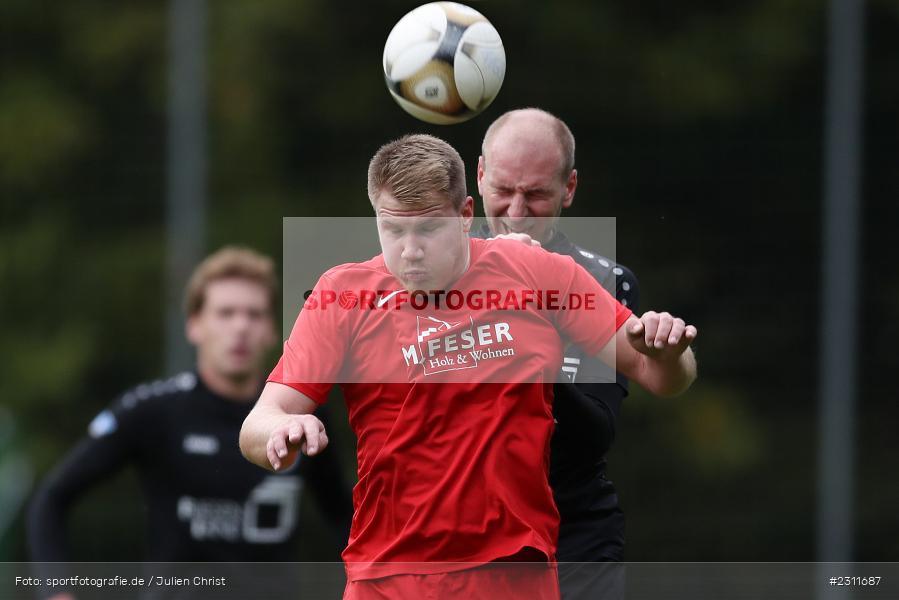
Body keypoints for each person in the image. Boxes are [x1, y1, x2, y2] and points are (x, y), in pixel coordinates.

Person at [239, 134, 697, 599]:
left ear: (465, 216)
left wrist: (668, 351)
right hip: (387, 578)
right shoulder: (342, 294)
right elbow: (259, 422)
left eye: (428, 230)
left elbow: (661, 376)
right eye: (394, 230)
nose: (411, 250)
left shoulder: (535, 271)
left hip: (514, 574)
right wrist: (280, 430)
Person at [27, 247, 353, 599]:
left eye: (255, 314)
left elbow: (343, 515)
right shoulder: (153, 410)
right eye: (225, 313)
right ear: (194, 325)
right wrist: (57, 592)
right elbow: (52, 498)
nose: (241, 326)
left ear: (273, 330)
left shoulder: (302, 418)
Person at [475, 108, 637, 596]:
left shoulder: (602, 282)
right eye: (503, 190)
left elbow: (595, 435)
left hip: (572, 537)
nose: (517, 212)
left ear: (569, 188)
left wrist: (537, 370)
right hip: (462, 533)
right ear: (479, 175)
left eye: (537, 194)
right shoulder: (431, 272)